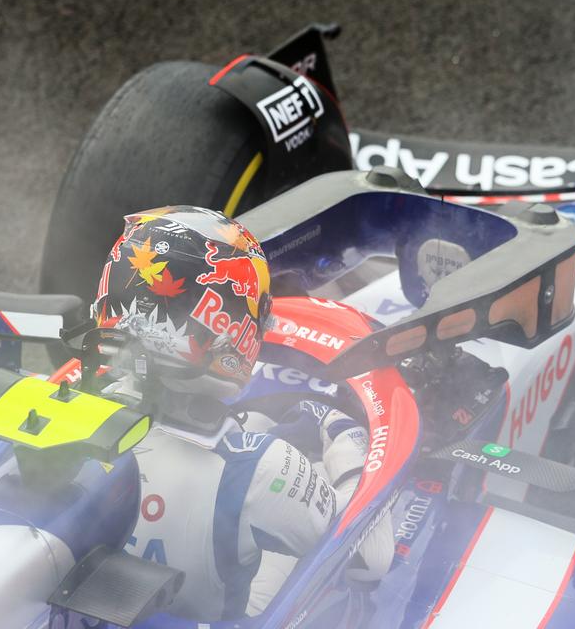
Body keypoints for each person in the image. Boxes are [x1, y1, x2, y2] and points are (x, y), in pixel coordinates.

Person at [90, 205, 390, 622]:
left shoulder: (51, 411)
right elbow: (370, 559)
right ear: (225, 324)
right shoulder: (257, 468)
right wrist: (343, 434)